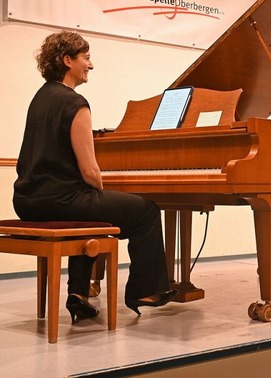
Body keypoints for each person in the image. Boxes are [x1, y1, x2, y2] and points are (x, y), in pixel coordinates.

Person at [13, 30, 178, 321]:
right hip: (59, 200)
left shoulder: (40, 98)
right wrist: (101, 189)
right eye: (86, 58)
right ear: (67, 60)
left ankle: (78, 293)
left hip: (27, 200)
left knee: (89, 212)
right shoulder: (76, 104)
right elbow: (89, 171)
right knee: (147, 210)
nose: (91, 65)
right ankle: (144, 290)